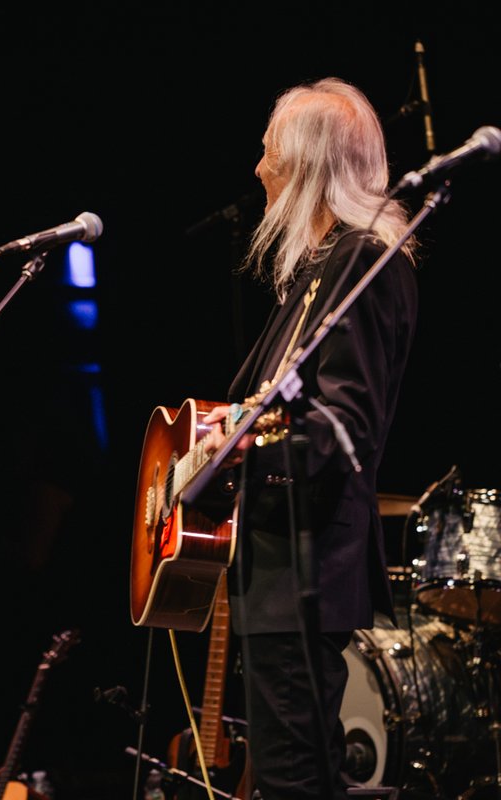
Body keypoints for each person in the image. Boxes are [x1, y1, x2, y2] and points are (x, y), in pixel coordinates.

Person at [202, 78, 419, 799]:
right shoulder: (315, 275)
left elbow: (344, 425)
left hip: (306, 570)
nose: (258, 170)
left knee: (296, 781)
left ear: (306, 168)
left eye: (270, 155)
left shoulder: (358, 262)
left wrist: (240, 458)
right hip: (279, 569)